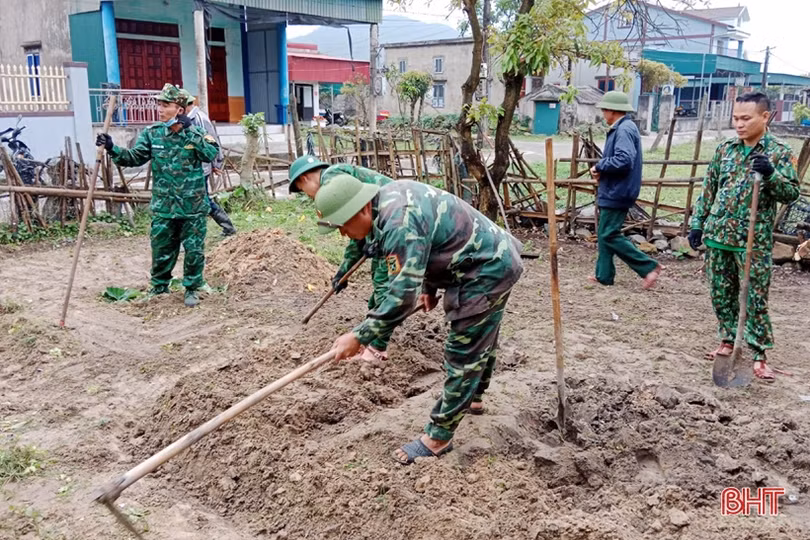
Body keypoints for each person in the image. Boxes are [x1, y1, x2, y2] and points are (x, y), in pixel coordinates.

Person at [316, 175, 523, 464]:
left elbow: (400, 298)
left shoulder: (398, 220)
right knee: (481, 337)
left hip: (487, 269)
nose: (343, 234)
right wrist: (430, 287)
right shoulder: (386, 203)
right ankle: (474, 399)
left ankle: (438, 438)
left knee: (464, 350)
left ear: (362, 209)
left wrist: (360, 336)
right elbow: (432, 240)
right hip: (487, 258)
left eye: (342, 226)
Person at [688, 91, 799, 381]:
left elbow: (791, 193)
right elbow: (709, 189)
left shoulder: (778, 151)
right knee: (721, 293)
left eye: (746, 118)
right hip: (718, 234)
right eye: (735, 118)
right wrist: (698, 223)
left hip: (753, 241)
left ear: (765, 117)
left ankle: (758, 354)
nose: (739, 124)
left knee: (754, 297)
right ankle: (727, 340)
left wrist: (771, 175)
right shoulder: (725, 149)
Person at [96, 83, 220, 308]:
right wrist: (112, 147)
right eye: (159, 105)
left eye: (165, 105)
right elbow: (133, 158)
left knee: (194, 250)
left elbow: (210, 153)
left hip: (192, 206)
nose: (160, 110)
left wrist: (190, 131)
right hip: (164, 205)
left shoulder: (196, 133)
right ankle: (159, 286)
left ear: (179, 110)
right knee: (161, 248)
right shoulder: (152, 134)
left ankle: (192, 287)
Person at [288, 156, 394, 361]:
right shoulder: (336, 176)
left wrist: (346, 268)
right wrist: (343, 271)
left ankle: (377, 347)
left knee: (384, 284)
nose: (311, 197)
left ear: (304, 179)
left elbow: (355, 226)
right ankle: (374, 330)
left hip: (390, 225)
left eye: (305, 192)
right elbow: (355, 233)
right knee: (380, 281)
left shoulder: (333, 181)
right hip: (380, 225)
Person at [589, 91, 662, 289]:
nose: (603, 113)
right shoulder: (623, 127)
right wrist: (603, 171)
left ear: (612, 110)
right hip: (615, 188)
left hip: (618, 190)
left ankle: (648, 267)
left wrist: (600, 166)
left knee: (609, 234)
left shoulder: (623, 129)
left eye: (604, 110)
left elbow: (624, 159)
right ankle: (603, 275)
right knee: (605, 232)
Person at [179, 89, 236, 236]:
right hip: (189, 168)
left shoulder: (200, 119)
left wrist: (216, 163)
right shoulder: (184, 119)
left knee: (203, 199)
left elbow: (212, 142)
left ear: (185, 106)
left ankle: (228, 227)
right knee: (195, 199)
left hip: (201, 167)